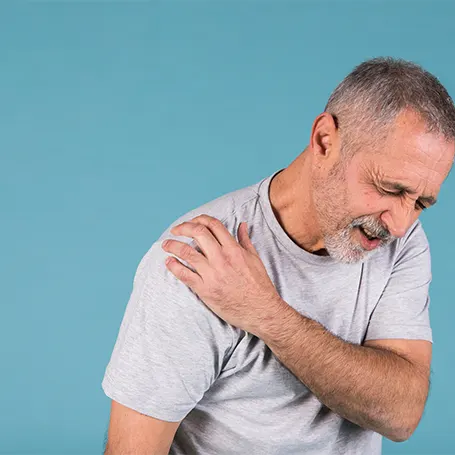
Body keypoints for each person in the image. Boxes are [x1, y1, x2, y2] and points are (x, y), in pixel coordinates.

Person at [101, 57, 455, 455]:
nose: (400, 223)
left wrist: (267, 314)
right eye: (391, 189)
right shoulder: (197, 262)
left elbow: (401, 413)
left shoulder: (400, 242)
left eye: (421, 202)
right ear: (325, 141)